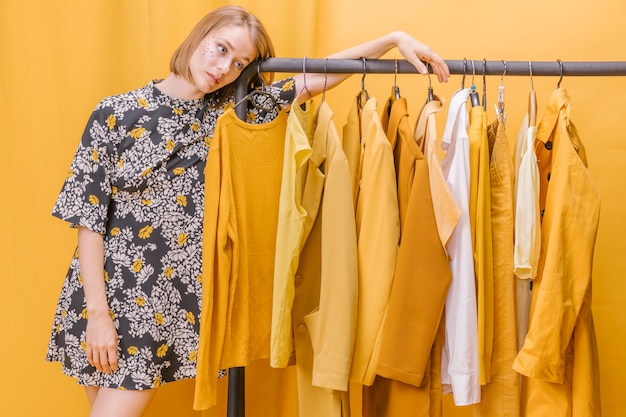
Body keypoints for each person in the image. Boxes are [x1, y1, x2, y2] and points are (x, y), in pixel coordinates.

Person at [46, 5, 450, 417]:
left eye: (240, 62)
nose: (224, 68)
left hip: (164, 304)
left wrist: (393, 39)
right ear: (198, 37)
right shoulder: (115, 113)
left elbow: (315, 77)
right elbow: (89, 218)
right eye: (220, 49)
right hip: (102, 297)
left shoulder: (234, 111)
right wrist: (98, 315)